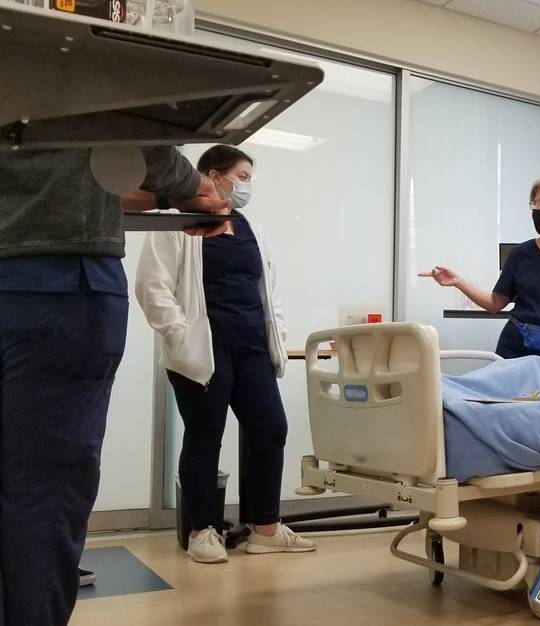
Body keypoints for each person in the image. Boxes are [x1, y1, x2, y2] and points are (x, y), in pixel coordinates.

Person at [0, 145, 226, 626]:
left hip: (40, 275)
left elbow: (88, 183)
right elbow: (131, 138)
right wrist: (195, 187)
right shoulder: (67, 70)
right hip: (55, 282)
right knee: (43, 489)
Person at [135, 145, 315, 564]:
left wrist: (278, 333)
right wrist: (180, 335)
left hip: (251, 346)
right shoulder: (177, 224)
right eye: (243, 176)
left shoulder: (249, 226)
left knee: (270, 429)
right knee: (204, 437)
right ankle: (202, 531)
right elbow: (152, 288)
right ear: (213, 176)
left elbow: (268, 289)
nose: (247, 185)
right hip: (204, 349)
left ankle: (266, 528)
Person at [419, 179, 540, 359]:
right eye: (534, 204)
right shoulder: (521, 254)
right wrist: (459, 282)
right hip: (517, 348)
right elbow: (495, 303)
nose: (537, 210)